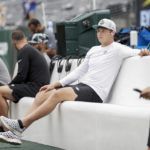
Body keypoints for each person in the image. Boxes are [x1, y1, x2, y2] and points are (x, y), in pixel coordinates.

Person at [0, 18, 149, 144]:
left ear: (112, 33)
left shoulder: (118, 49)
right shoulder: (93, 50)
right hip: (83, 86)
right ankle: (17, 132)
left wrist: (143, 51)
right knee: (43, 94)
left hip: (95, 92)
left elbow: (137, 51)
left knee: (57, 95)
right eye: (98, 30)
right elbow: (79, 71)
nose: (100, 33)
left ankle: (20, 124)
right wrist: (54, 84)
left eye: (104, 30)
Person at [0, 30, 50, 119]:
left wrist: (10, 84)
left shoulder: (24, 51)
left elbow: (21, 76)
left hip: (36, 88)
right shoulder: (29, 50)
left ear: (13, 43)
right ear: (25, 38)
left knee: (0, 91)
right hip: (39, 87)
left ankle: (5, 127)